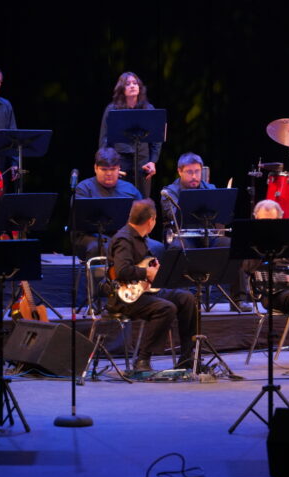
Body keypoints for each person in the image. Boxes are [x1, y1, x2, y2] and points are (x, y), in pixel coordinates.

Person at [107, 199, 197, 372]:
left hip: (145, 293)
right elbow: (122, 271)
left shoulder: (143, 239)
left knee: (186, 298)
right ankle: (142, 360)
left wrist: (154, 269)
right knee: (166, 308)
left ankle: (187, 357)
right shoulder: (124, 240)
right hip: (122, 298)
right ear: (151, 221)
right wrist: (147, 273)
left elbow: (143, 265)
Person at [161, 152, 247, 310]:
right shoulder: (169, 192)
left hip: (208, 235)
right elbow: (173, 216)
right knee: (178, 249)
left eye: (197, 172)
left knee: (235, 247)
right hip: (185, 236)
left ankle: (238, 299)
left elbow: (222, 216)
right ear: (180, 171)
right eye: (190, 172)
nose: (194, 176)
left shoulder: (210, 188)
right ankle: (184, 299)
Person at [243, 199, 289, 349]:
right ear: (256, 219)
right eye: (264, 222)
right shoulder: (250, 242)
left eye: (273, 221)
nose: (269, 226)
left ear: (280, 219)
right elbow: (248, 270)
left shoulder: (288, 240)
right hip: (271, 294)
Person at [74, 147, 163, 260]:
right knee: (102, 247)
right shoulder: (84, 188)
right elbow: (80, 221)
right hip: (91, 236)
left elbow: (143, 217)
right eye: (104, 169)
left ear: (119, 168)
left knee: (158, 247)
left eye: (113, 169)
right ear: (95, 168)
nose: (109, 173)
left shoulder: (130, 189)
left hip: (125, 236)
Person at [98, 72, 161, 198]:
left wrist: (153, 161)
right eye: (128, 84)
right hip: (120, 161)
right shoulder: (112, 109)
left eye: (135, 83)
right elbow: (104, 140)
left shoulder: (148, 108)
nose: (132, 86)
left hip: (143, 161)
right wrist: (110, 164)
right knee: (122, 199)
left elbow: (156, 139)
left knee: (142, 201)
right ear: (122, 89)